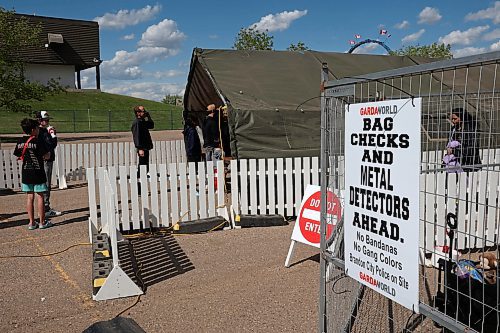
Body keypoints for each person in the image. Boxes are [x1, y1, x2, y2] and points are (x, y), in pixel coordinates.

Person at [13, 118, 53, 230]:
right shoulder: (37, 141)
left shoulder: (20, 141)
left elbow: (17, 154)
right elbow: (46, 155)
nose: (38, 130)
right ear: (33, 129)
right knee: (40, 196)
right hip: (38, 171)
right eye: (36, 128)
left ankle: (31, 222)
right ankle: (42, 222)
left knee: (29, 197)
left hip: (26, 172)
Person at [36, 111, 61, 217]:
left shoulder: (44, 131)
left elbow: (53, 144)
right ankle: (45, 208)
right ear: (39, 120)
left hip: (46, 159)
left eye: (47, 120)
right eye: (44, 120)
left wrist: (53, 135)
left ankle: (45, 207)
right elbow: (49, 145)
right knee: (45, 184)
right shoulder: (40, 132)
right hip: (45, 159)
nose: (46, 121)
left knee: (46, 184)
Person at [443, 107, 482, 173]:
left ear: (462, 118)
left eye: (455, 119)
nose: (453, 121)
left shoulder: (470, 130)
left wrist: (455, 150)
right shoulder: (453, 129)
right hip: (456, 162)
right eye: (452, 119)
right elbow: (449, 142)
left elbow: (472, 147)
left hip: (469, 163)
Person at [131, 105, 154, 173]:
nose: (145, 112)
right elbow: (136, 136)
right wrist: (140, 148)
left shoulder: (142, 121)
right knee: (142, 165)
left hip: (145, 147)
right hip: (142, 147)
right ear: (138, 113)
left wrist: (148, 117)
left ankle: (142, 177)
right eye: (143, 111)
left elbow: (151, 125)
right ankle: (139, 179)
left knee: (145, 164)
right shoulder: (137, 123)